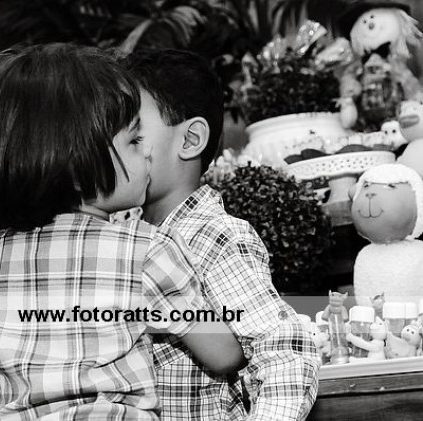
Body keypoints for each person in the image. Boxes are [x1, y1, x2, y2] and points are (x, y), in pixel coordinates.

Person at [0, 43, 245, 421]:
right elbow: (222, 354)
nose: (147, 152)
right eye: (133, 141)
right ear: (77, 161)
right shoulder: (144, 251)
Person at [123, 49, 321, 420]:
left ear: (190, 140)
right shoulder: (121, 236)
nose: (113, 145)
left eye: (133, 133)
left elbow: (284, 354)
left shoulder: (214, 237)